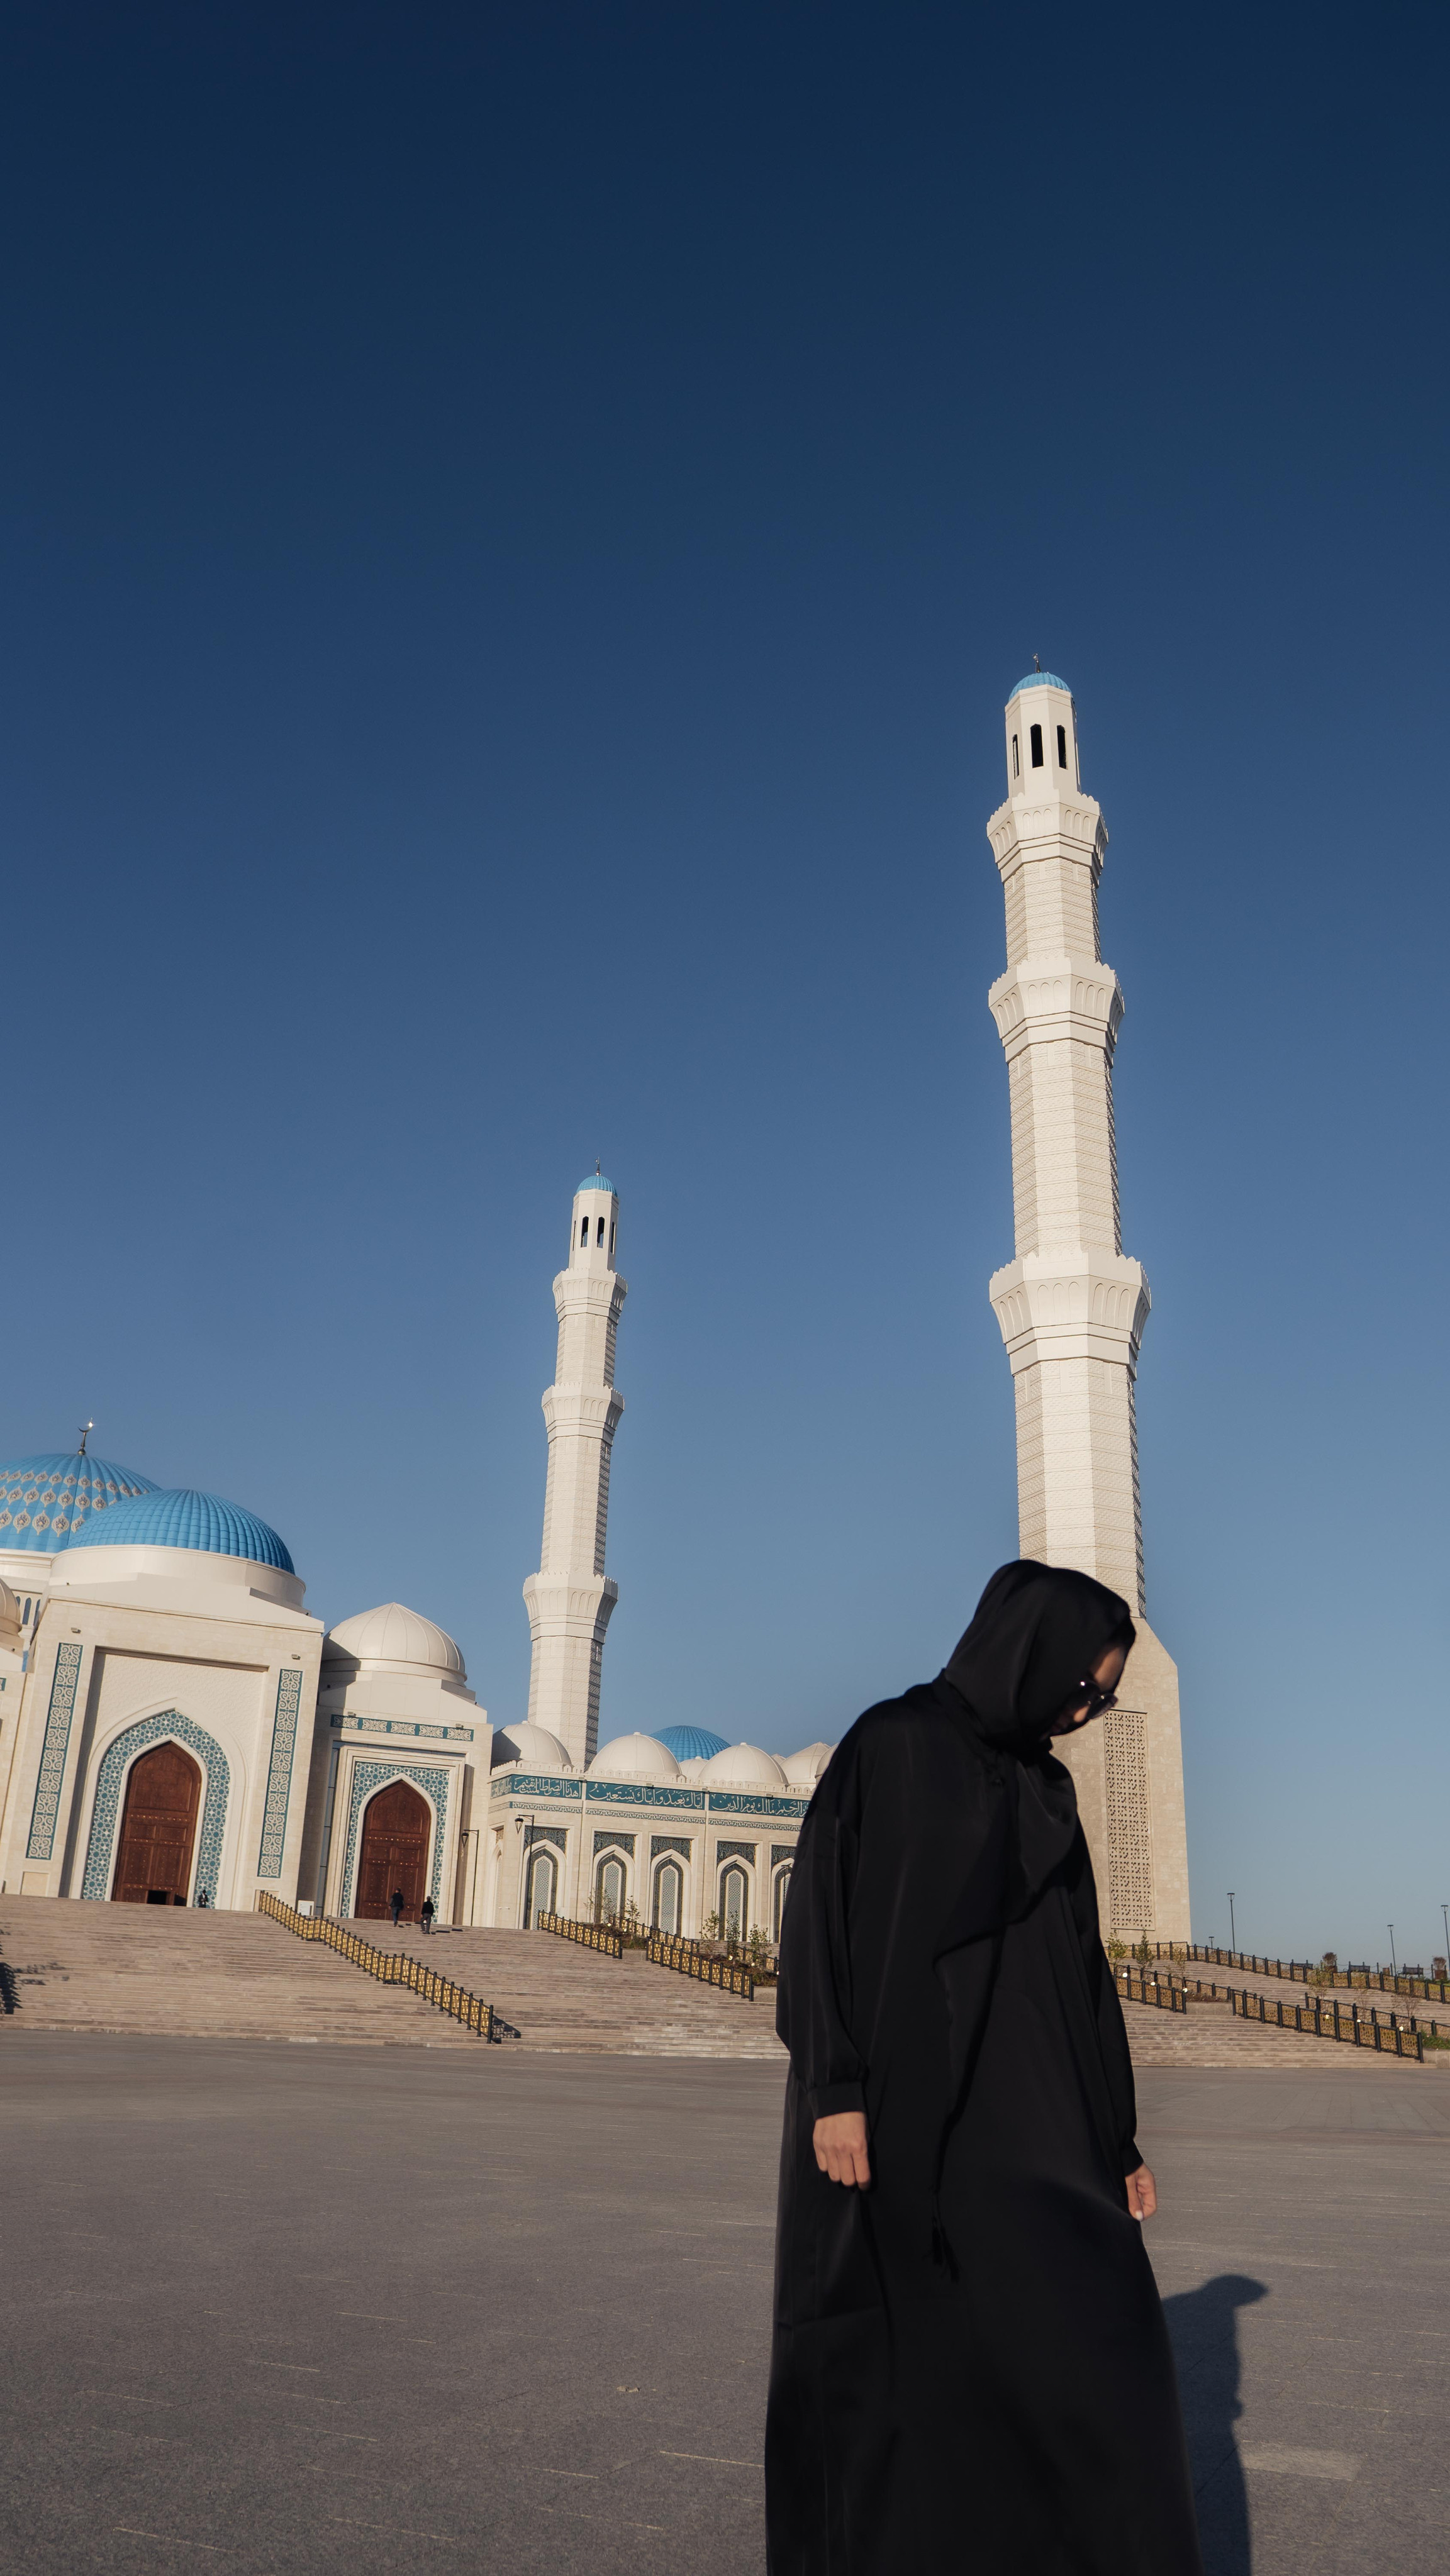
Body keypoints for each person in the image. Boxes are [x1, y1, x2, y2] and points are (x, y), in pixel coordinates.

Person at [765, 1560, 1202, 2576]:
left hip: (1030, 2125)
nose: (1085, 1713)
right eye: (1082, 1689)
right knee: (907, 2368)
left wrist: (1116, 2135)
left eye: (1101, 1699)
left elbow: (1081, 1971)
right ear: (1031, 1653)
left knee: (1098, 2340)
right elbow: (819, 1926)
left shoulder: (1044, 1789)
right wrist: (835, 2090)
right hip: (898, 2117)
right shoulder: (894, 1744)